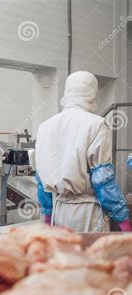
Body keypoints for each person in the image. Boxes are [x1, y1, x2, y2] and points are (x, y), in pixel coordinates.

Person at [35, 71, 130, 232]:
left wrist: (47, 219)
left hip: (59, 212)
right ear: (92, 92)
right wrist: (125, 225)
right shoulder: (97, 125)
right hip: (87, 215)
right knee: (90, 255)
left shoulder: (45, 126)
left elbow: (41, 180)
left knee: (63, 256)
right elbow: (103, 181)